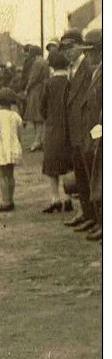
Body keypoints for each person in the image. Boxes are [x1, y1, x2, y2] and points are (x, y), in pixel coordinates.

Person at [61, 29, 97, 234]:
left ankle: (97, 218)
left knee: (92, 176)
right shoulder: (71, 69)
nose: (66, 52)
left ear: (79, 47)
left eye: (69, 47)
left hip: (88, 130)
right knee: (81, 177)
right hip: (75, 131)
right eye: (64, 48)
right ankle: (87, 214)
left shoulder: (88, 68)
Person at [39, 50, 74, 214]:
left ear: (52, 66)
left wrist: (49, 118)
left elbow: (42, 108)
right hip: (69, 128)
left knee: (52, 165)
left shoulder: (48, 84)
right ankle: (68, 198)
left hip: (53, 128)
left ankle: (55, 199)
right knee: (68, 164)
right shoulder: (70, 82)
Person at [80, 27, 102, 241]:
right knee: (97, 180)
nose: (89, 56)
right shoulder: (96, 71)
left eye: (92, 52)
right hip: (95, 131)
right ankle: (99, 221)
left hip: (101, 132)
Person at [0, 87, 23, 212]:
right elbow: (19, 134)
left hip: (1, 146)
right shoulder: (16, 116)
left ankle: (5, 201)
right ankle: (11, 199)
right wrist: (18, 145)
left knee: (1, 174)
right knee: (10, 174)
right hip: (13, 146)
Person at [23, 44, 50, 151]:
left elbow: (33, 78)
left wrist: (27, 88)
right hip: (42, 89)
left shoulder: (37, 63)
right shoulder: (44, 62)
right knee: (39, 117)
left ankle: (37, 141)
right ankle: (39, 140)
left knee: (37, 117)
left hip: (36, 90)